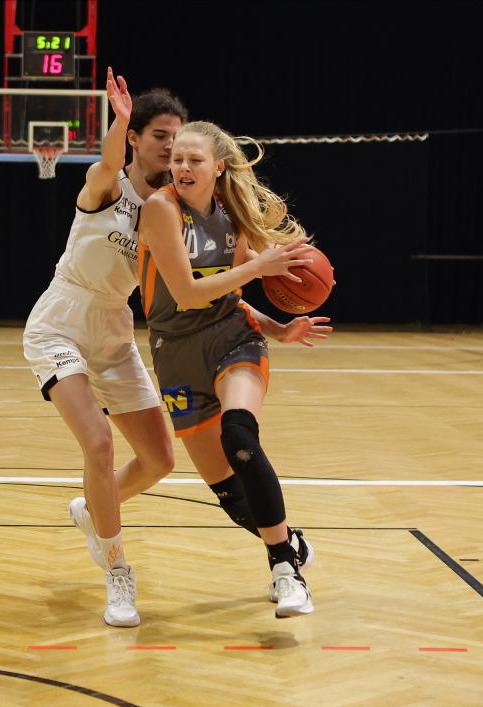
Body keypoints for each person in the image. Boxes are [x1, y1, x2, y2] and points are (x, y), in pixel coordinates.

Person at [136, 120, 332, 618]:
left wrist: (279, 329)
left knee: (240, 436)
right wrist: (255, 268)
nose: (182, 167)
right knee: (228, 492)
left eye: (194, 159)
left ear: (218, 167)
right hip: (175, 351)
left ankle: (286, 571)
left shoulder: (232, 214)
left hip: (232, 337)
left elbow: (232, 297)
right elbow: (187, 294)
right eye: (176, 159)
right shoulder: (161, 209)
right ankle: (291, 544)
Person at [22, 69, 186, 627]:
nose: (170, 146)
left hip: (115, 327)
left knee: (160, 459)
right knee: (98, 443)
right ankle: (118, 573)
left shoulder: (171, 209)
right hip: (61, 320)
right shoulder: (106, 185)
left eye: (177, 137)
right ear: (136, 137)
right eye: (160, 135)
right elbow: (110, 163)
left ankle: (93, 509)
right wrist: (118, 121)